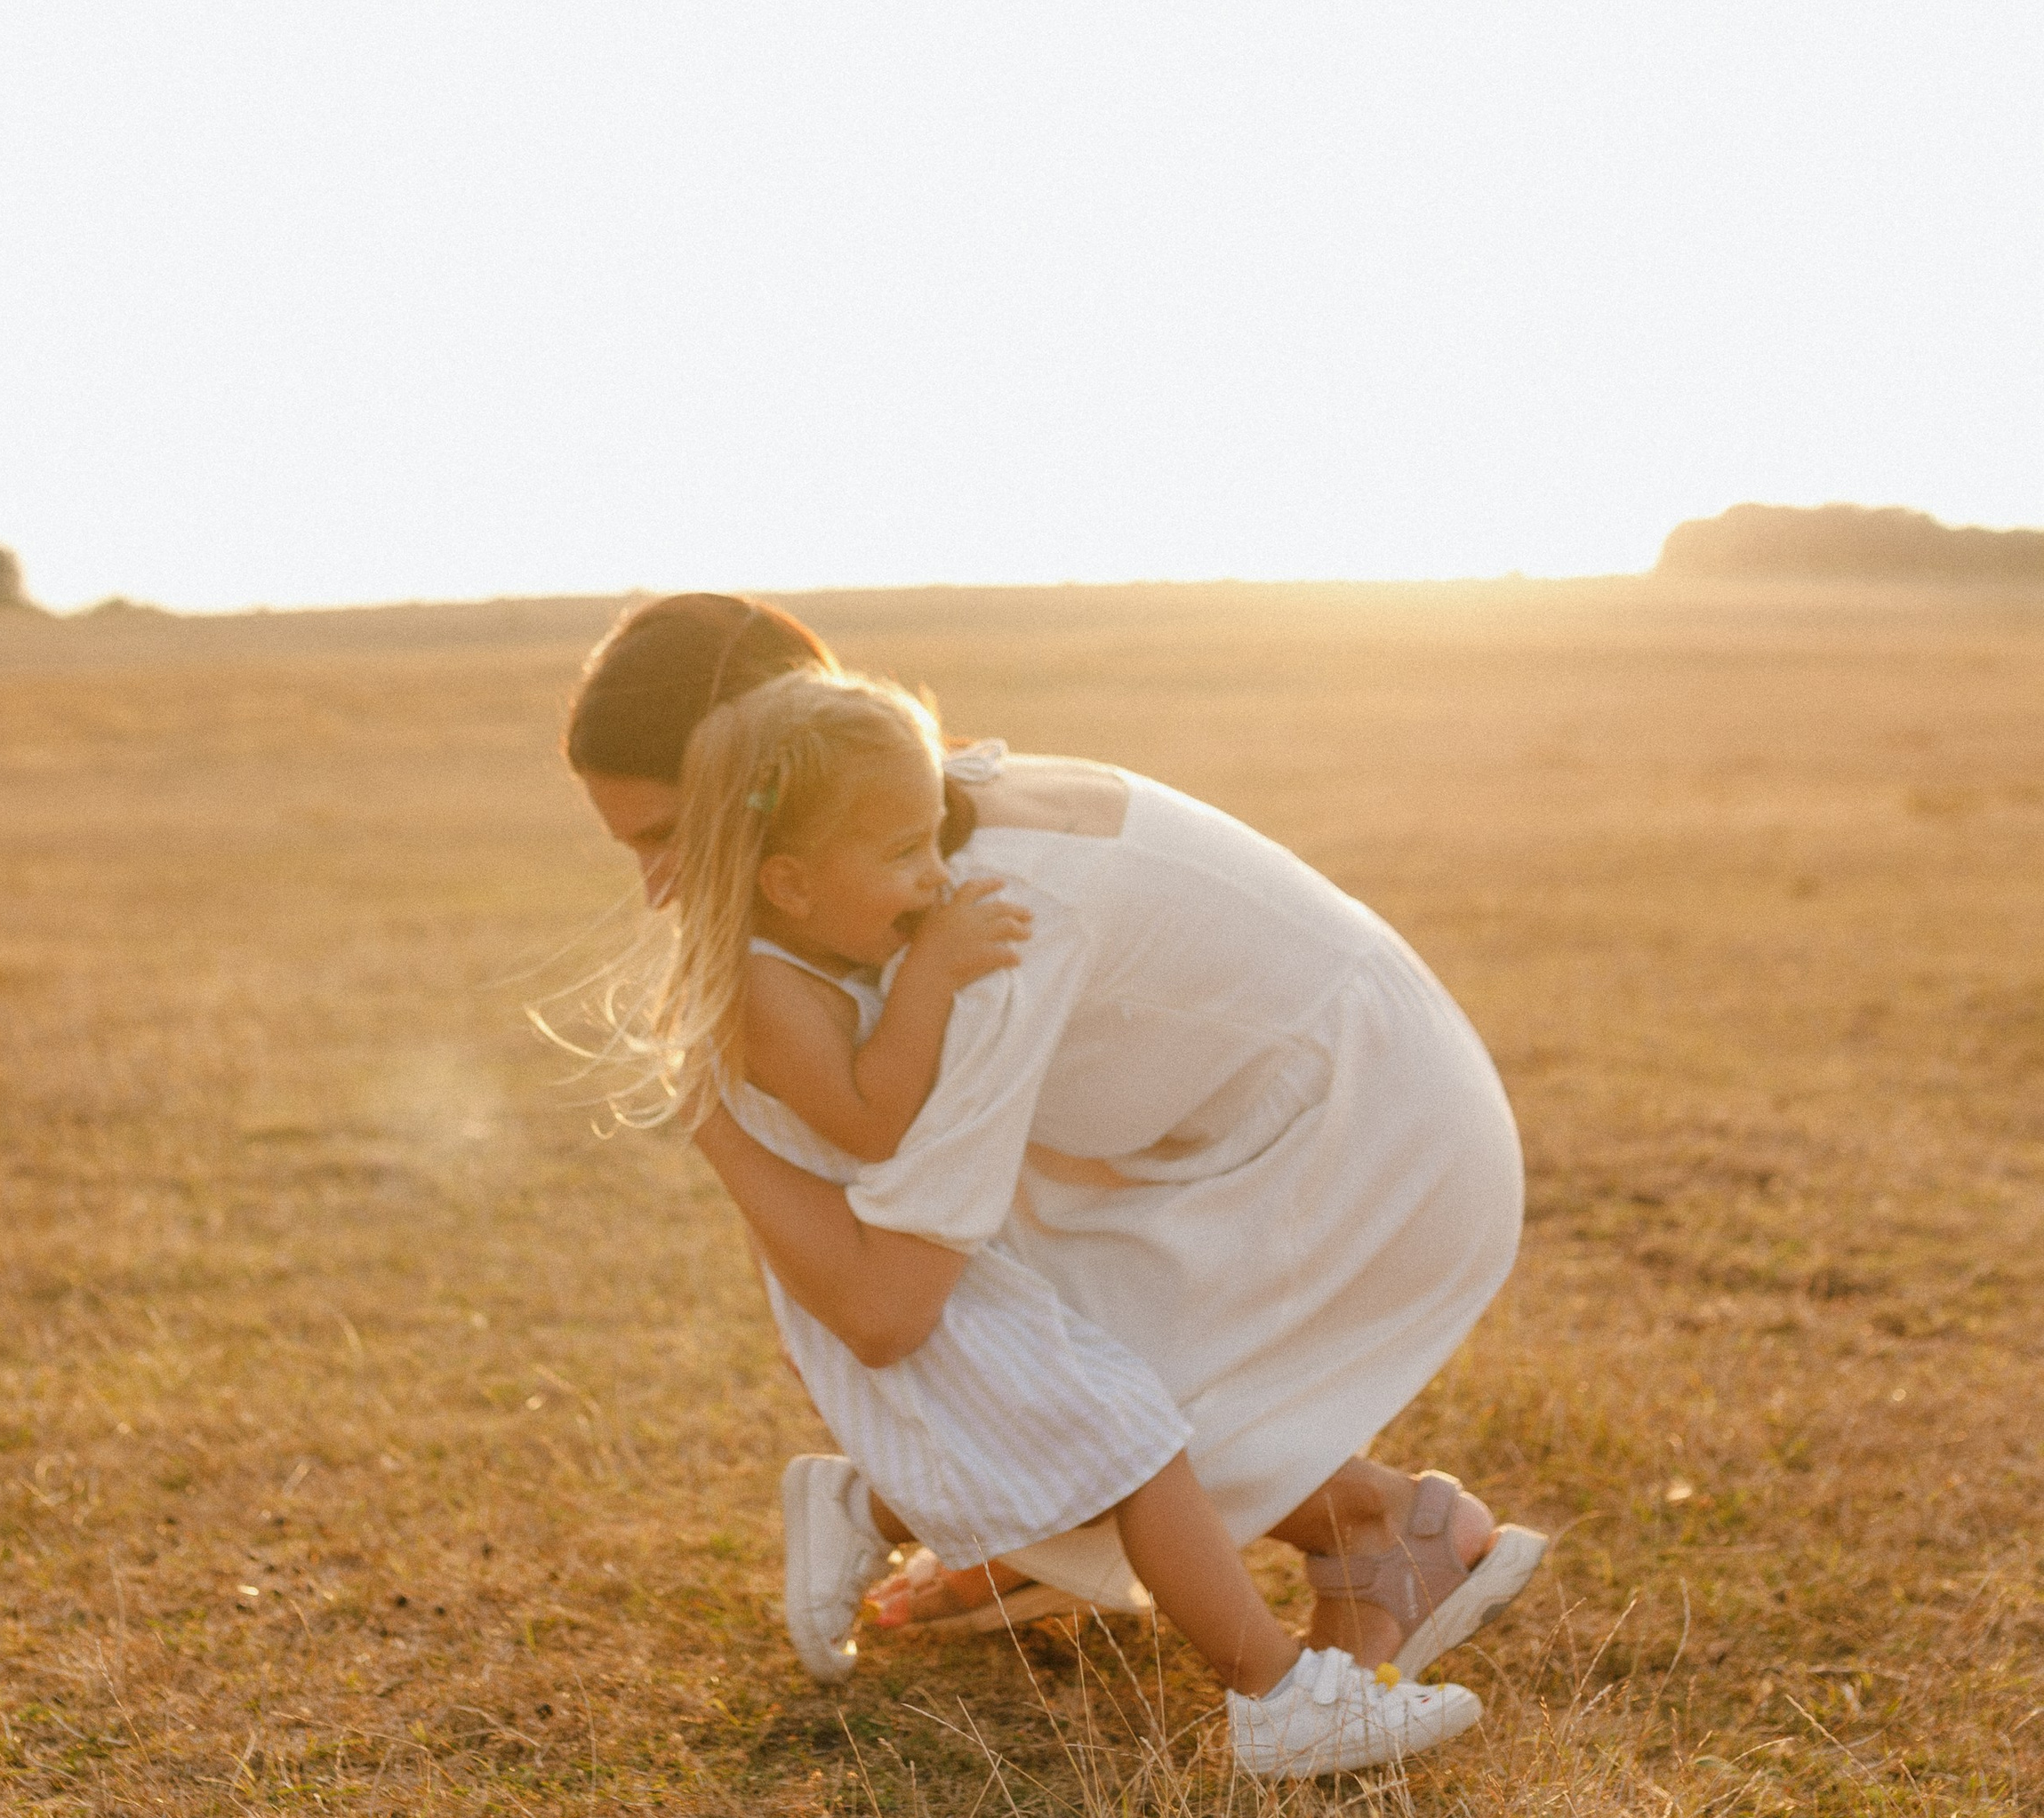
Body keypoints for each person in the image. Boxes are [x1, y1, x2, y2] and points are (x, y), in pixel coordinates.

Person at [564, 593, 1546, 1758]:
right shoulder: (909, 845)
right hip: (1246, 1117)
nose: (659, 891)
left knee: (1089, 1422)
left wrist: (713, 1121)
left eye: (666, 837)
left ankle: (1361, 1530)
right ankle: (1346, 1539)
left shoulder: (979, 928)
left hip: (1374, 1137)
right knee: (1057, 1397)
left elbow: (883, 1311)